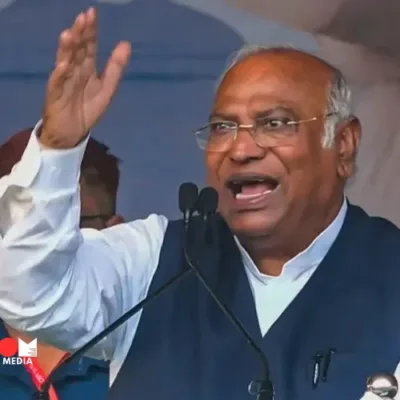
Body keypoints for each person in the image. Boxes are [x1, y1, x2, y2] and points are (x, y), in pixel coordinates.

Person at [0, 7, 399, 400]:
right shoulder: (153, 260)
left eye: (274, 123)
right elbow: (35, 300)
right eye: (223, 127)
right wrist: (57, 146)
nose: (241, 149)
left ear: (343, 145)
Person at [0, 128, 123, 399]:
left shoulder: (144, 351)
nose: (36, 250)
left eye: (64, 227)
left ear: (115, 232)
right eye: (15, 227)